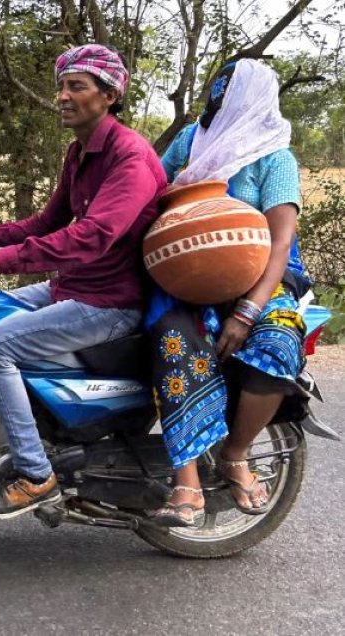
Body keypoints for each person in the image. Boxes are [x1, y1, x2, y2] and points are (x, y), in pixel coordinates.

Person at [0, 44, 167, 518]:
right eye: (62, 86)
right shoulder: (80, 153)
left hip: (110, 302)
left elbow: (91, 236)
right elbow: (45, 223)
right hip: (73, 287)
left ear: (109, 95)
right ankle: (31, 426)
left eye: (77, 86)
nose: (63, 96)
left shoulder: (130, 157)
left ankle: (35, 475)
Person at [149, 58, 312, 527]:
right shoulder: (189, 142)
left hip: (259, 280)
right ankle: (186, 483)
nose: (217, 101)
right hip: (183, 277)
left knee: (278, 343)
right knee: (174, 341)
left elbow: (280, 242)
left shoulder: (274, 157)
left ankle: (235, 453)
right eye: (216, 91)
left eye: (227, 93)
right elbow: (151, 194)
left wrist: (247, 312)